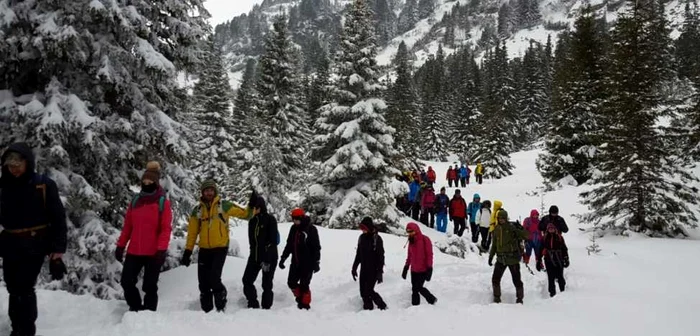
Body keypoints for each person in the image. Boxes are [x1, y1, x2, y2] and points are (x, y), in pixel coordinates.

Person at [0, 143, 67, 336]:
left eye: (17, 165)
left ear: (27, 163)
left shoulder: (44, 185)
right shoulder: (3, 186)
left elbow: (58, 218)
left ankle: (26, 330)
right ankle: (16, 328)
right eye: (10, 166)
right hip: (10, 244)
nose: (14, 170)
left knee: (25, 286)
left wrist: (57, 251)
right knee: (12, 286)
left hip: (34, 244)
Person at [180, 180, 254, 313]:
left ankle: (220, 305)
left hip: (220, 247)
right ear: (202, 192)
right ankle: (206, 311)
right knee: (203, 282)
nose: (209, 192)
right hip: (204, 249)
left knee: (214, 277)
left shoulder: (223, 206)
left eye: (211, 190)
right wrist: (188, 251)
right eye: (206, 190)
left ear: (215, 192)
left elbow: (246, 214)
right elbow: (192, 233)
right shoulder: (197, 210)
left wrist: (252, 204)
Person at [116, 161, 173, 312]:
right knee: (126, 281)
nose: (146, 184)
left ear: (155, 182)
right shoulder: (135, 201)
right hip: (134, 250)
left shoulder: (162, 202)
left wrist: (161, 249)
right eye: (144, 181)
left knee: (149, 286)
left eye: (150, 181)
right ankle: (135, 308)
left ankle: (148, 315)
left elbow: (165, 228)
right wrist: (121, 245)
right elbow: (128, 226)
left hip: (154, 252)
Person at [242, 196, 280, 309]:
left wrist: (267, 260)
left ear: (260, 207)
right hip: (255, 257)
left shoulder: (270, 219)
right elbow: (252, 242)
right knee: (247, 280)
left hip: (269, 257)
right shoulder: (252, 221)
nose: (253, 210)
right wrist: (252, 254)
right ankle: (253, 303)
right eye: (252, 208)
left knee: (266, 284)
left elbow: (273, 241)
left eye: (255, 207)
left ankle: (266, 308)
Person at [279, 208, 321, 310]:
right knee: (291, 283)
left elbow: (316, 247)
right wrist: (283, 258)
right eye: (293, 219)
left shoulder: (311, 229)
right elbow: (289, 245)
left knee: (304, 285)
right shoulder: (293, 229)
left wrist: (316, 262)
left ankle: (305, 305)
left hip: (308, 264)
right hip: (295, 262)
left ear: (301, 218)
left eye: (296, 219)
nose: (294, 221)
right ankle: (300, 297)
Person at [488, 210, 528, 304]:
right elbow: (494, 245)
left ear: (506, 218)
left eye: (503, 218)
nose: (501, 220)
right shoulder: (496, 229)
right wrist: (491, 257)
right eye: (499, 218)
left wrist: (519, 229)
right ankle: (497, 298)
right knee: (495, 279)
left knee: (517, 280)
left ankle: (519, 299)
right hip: (500, 259)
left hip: (512, 259)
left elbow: (526, 235)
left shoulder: (512, 228)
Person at [351, 217, 387, 310]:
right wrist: (354, 268)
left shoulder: (377, 239)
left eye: (364, 228)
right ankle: (368, 309)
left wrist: (380, 272)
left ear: (369, 227)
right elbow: (358, 254)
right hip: (364, 269)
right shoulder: (361, 238)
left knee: (369, 291)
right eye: (361, 228)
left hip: (373, 270)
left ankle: (382, 305)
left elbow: (381, 257)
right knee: (363, 292)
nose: (362, 230)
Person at [401, 223, 437, 305]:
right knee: (414, 289)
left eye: (411, 231)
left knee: (419, 288)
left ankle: (432, 299)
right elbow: (409, 256)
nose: (409, 233)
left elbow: (429, 255)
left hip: (423, 270)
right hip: (414, 270)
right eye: (408, 232)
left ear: (416, 230)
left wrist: (429, 268)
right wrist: (406, 267)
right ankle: (415, 306)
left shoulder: (425, 240)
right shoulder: (411, 241)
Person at [537, 223, 570, 297]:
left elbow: (564, 249)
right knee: (550, 277)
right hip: (548, 259)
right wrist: (539, 261)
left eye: (552, 228)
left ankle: (563, 291)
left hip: (559, 259)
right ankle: (552, 294)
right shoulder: (544, 238)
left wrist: (566, 258)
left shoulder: (559, 237)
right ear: (547, 230)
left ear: (555, 229)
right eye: (549, 229)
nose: (551, 230)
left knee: (560, 276)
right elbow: (540, 250)